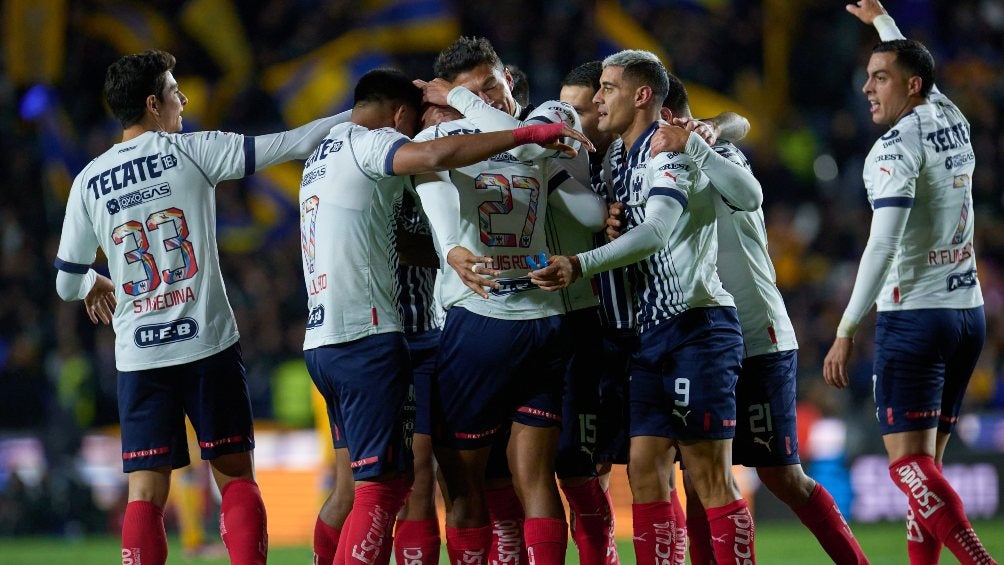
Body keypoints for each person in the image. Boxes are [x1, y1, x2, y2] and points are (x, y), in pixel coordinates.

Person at [52, 48, 360, 565]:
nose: (184, 99)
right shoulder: (194, 151)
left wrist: (97, 284)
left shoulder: (88, 182)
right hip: (206, 343)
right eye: (175, 91)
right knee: (235, 476)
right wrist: (364, 113)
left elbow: (65, 283)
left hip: (140, 356)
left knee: (145, 494)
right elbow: (291, 143)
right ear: (153, 104)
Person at [298, 68, 590, 565]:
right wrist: (449, 247)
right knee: (397, 484)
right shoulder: (403, 152)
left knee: (485, 477)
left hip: (423, 333)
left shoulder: (348, 150)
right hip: (403, 333)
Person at [528, 49, 763, 564]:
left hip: (694, 327)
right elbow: (619, 216)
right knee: (644, 468)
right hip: (645, 338)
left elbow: (659, 231)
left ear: (640, 96)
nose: (597, 97)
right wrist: (609, 218)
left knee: (709, 476)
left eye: (607, 87)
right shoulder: (614, 157)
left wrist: (580, 263)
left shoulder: (670, 149)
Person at [646, 77, 869, 565]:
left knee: (780, 475)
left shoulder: (716, 159)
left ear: (668, 117)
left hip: (755, 334)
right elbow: (737, 122)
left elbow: (739, 136)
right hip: (702, 338)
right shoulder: (659, 164)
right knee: (700, 475)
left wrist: (711, 133)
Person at [412, 36, 608, 565]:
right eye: (479, 91)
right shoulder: (538, 135)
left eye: (495, 86)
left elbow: (431, 181)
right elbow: (583, 210)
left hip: (481, 322)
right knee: (532, 477)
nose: (494, 98)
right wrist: (450, 242)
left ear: (508, 78)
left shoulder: (457, 134)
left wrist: (449, 245)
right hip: (542, 323)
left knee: (463, 481)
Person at [823, 2, 996, 564]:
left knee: (904, 465)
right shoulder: (952, 117)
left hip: (915, 316)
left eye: (880, 79)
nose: (868, 89)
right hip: (966, 314)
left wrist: (848, 327)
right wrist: (881, 20)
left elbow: (882, 244)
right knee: (929, 466)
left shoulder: (894, 149)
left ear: (911, 85)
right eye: (868, 77)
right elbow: (917, 66)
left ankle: (977, 559)